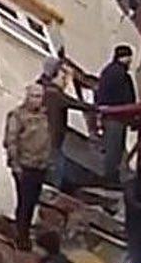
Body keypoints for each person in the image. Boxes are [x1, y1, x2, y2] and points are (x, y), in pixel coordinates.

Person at [5, 83, 53, 245]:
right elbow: (11, 140)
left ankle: (25, 231)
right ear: (28, 97)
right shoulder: (18, 116)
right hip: (24, 166)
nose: (38, 100)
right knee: (24, 203)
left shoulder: (44, 116)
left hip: (40, 165)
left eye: (40, 97)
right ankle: (21, 236)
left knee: (32, 201)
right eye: (35, 96)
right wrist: (15, 164)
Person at [39, 58, 97, 191]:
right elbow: (76, 104)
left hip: (45, 139)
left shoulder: (43, 88)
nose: (65, 79)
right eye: (63, 75)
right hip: (52, 140)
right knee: (56, 167)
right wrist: (96, 108)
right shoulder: (54, 94)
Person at [95, 45, 138, 181]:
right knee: (114, 149)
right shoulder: (120, 74)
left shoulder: (107, 71)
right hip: (117, 116)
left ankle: (111, 176)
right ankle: (110, 178)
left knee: (112, 147)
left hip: (109, 115)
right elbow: (125, 96)